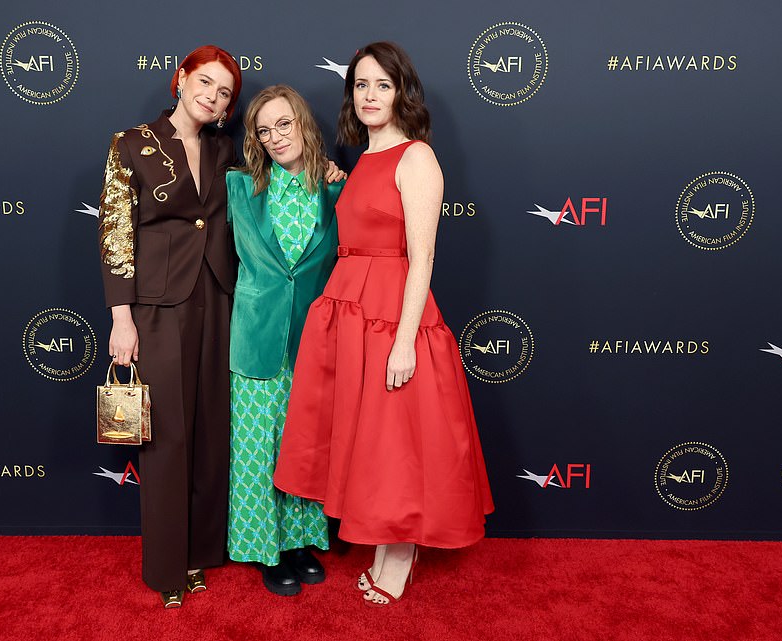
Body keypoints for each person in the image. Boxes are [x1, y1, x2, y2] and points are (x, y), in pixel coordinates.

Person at [273, 42, 495, 607]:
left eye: (383, 85)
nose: (370, 96)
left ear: (403, 93)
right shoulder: (361, 160)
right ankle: (382, 544)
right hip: (349, 309)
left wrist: (404, 342)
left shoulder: (417, 158)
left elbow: (421, 258)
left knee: (395, 438)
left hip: (393, 314)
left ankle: (399, 553)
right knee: (371, 438)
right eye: (361, 85)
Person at [97, 45, 241, 609]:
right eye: (204, 82)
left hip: (219, 298)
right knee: (166, 437)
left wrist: (326, 171)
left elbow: (280, 172)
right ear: (180, 79)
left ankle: (202, 553)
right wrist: (121, 318)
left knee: (210, 431)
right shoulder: (130, 143)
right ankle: (167, 567)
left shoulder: (228, 148)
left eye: (223, 91)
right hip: (156, 307)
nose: (211, 95)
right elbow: (114, 233)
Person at [225, 85, 344, 596]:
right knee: (256, 449)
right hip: (255, 337)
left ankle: (297, 543)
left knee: (303, 448)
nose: (275, 137)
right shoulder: (239, 187)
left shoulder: (336, 189)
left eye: (283, 124)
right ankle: (262, 548)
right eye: (264, 130)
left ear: (303, 124)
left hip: (313, 341)